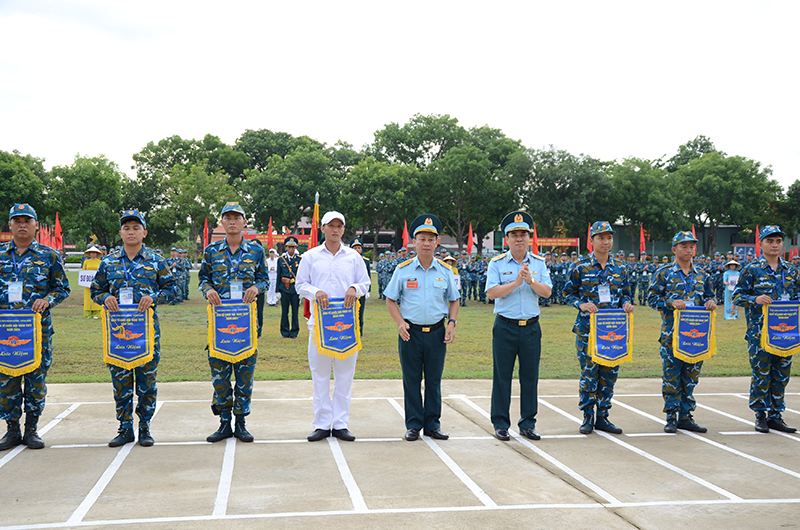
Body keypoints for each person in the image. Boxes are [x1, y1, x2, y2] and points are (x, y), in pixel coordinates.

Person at [91, 209, 175, 447]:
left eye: (136, 227)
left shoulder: (156, 261)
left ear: (144, 232)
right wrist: (105, 297)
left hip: (147, 334)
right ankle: (125, 427)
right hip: (117, 334)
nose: (131, 231)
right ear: (120, 233)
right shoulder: (108, 262)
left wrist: (155, 297)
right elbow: (96, 290)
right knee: (121, 381)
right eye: (126, 228)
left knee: (147, 382)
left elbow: (172, 290)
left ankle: (145, 427)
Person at [0, 204, 70, 451]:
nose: (22, 225)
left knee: (35, 380)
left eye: (27, 221)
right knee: (6, 380)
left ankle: (31, 430)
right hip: (5, 331)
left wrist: (47, 300)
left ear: (36, 225)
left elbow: (62, 288)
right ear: (9, 225)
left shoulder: (49, 256)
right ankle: (11, 430)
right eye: (16, 220)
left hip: (37, 331)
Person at [296, 212, 370, 442]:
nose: (335, 230)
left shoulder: (354, 257)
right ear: (323, 228)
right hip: (319, 324)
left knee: (345, 375)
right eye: (331, 226)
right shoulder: (310, 256)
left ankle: (340, 423)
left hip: (346, 325)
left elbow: (365, 283)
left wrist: (354, 288)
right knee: (319, 374)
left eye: (339, 226)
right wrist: (314, 292)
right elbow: (300, 284)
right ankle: (321, 423)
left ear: (344, 229)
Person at [384, 214, 459, 441]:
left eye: (431, 239)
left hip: (437, 333)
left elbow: (454, 299)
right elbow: (390, 299)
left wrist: (452, 323)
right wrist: (400, 322)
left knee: (434, 381)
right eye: (422, 239)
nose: (426, 243)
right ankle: (414, 425)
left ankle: (433, 425)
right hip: (411, 334)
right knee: (412, 380)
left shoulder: (446, 271)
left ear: (437, 243)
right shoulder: (403, 270)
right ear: (414, 242)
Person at [198, 202, 268, 443]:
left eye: (236, 218)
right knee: (220, 375)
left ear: (244, 222)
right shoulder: (211, 250)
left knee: (245, 374)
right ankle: (224, 422)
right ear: (222, 222)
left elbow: (264, 280)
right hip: (219, 325)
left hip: (245, 324)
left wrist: (256, 288)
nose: (232, 221)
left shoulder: (256, 251)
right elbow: (203, 278)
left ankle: (241, 422)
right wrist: (207, 290)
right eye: (227, 217)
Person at [486, 211, 552, 441]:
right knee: (502, 376)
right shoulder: (497, 264)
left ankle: (528, 423)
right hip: (505, 327)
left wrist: (531, 280)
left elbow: (547, 292)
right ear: (507, 239)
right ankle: (501, 423)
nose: (519, 238)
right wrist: (516, 282)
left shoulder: (539, 264)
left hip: (531, 328)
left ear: (529, 238)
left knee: (530, 376)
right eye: (514, 234)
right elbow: (492, 293)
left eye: (523, 234)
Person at [563, 221, 634, 435]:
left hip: (614, 330)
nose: (606, 241)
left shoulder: (621, 268)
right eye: (601, 237)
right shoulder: (579, 266)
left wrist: (626, 303)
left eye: (609, 237)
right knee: (589, 374)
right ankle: (587, 416)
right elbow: (567, 294)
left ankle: (603, 416)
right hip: (588, 331)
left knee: (610, 372)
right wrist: (581, 304)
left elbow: (626, 293)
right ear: (591, 241)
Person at [647, 231, 716, 433]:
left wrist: (711, 303)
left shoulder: (703, 275)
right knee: (672, 377)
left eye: (691, 246)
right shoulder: (664, 273)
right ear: (674, 249)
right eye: (684, 246)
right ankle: (671, 416)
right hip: (672, 337)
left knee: (691, 378)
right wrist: (670, 303)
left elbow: (710, 298)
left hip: (696, 337)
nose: (688, 250)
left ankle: (686, 416)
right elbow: (651, 300)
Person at [733, 225, 798, 433]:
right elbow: (737, 297)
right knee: (761, 374)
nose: (775, 245)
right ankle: (760, 415)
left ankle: (776, 415)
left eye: (778, 241)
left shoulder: (791, 271)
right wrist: (755, 298)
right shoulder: (752, 269)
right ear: (760, 244)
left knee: (781, 375)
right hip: (759, 334)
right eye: (770, 241)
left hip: (786, 334)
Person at [277, 237, 301, 339]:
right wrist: (277, 290)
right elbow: (278, 275)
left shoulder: (299, 259)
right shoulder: (281, 260)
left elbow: (301, 275)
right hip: (284, 288)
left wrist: (301, 290)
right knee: (284, 311)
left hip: (295, 288)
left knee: (295, 312)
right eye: (289, 247)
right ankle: (285, 331)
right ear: (286, 247)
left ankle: (294, 332)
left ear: (296, 247)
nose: (291, 249)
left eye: (293, 247)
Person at [350, 237, 370, 337]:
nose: (357, 250)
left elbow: (368, 276)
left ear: (361, 249)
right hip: (350, 291)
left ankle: (360, 332)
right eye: (354, 248)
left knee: (360, 312)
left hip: (361, 290)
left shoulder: (365, 261)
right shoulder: (347, 261)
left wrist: (368, 291)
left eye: (358, 248)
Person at [82, 245, 103, 318]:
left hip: (97, 282)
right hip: (88, 282)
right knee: (87, 297)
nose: (93, 254)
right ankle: (87, 314)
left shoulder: (100, 262)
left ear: (97, 254)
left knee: (96, 295)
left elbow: (101, 271)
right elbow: (83, 271)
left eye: (95, 253)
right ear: (89, 253)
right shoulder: (86, 262)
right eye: (91, 253)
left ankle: (96, 313)